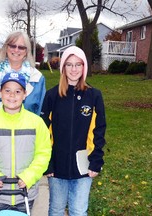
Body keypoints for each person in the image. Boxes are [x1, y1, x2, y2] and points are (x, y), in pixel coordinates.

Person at [0, 30, 46, 215]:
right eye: (12, 45)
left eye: (22, 46)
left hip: (25, 153)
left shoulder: (37, 78)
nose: (16, 50)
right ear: (6, 47)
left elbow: (41, 114)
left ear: (27, 50)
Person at [40, 46, 106, 216]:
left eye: (78, 64)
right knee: (56, 210)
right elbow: (43, 132)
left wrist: (96, 161)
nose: (74, 69)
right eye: (69, 64)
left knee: (78, 210)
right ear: (63, 67)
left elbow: (99, 131)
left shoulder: (94, 96)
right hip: (57, 165)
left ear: (84, 67)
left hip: (84, 165)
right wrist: (48, 163)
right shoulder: (52, 96)